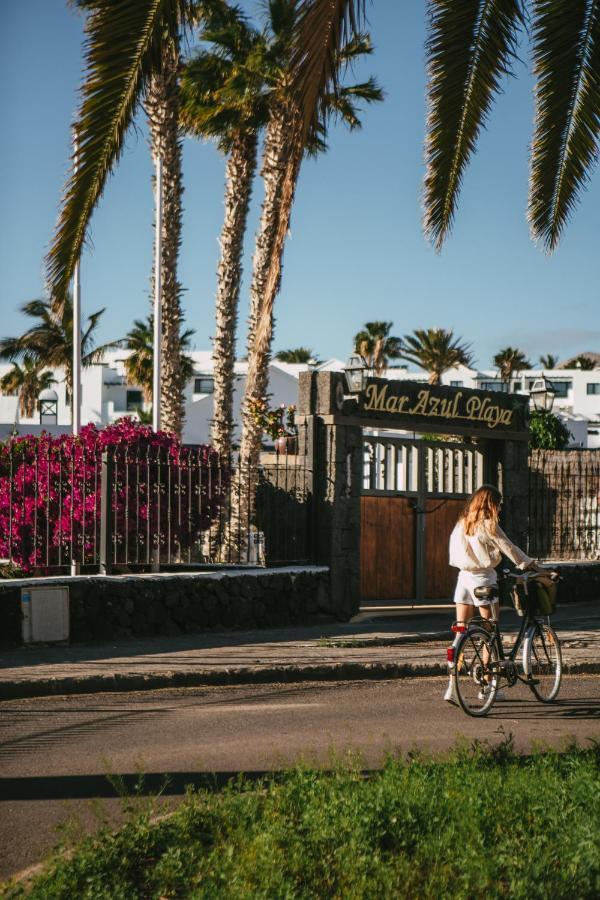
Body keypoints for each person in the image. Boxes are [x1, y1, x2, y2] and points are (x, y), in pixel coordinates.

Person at [444, 484, 535, 704]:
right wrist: (531, 565)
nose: (500, 508)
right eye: (499, 503)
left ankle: (451, 687)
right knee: (490, 633)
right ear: (491, 503)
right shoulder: (488, 524)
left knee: (460, 633)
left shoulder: (462, 524)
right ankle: (486, 687)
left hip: (463, 580)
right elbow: (510, 548)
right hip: (484, 580)